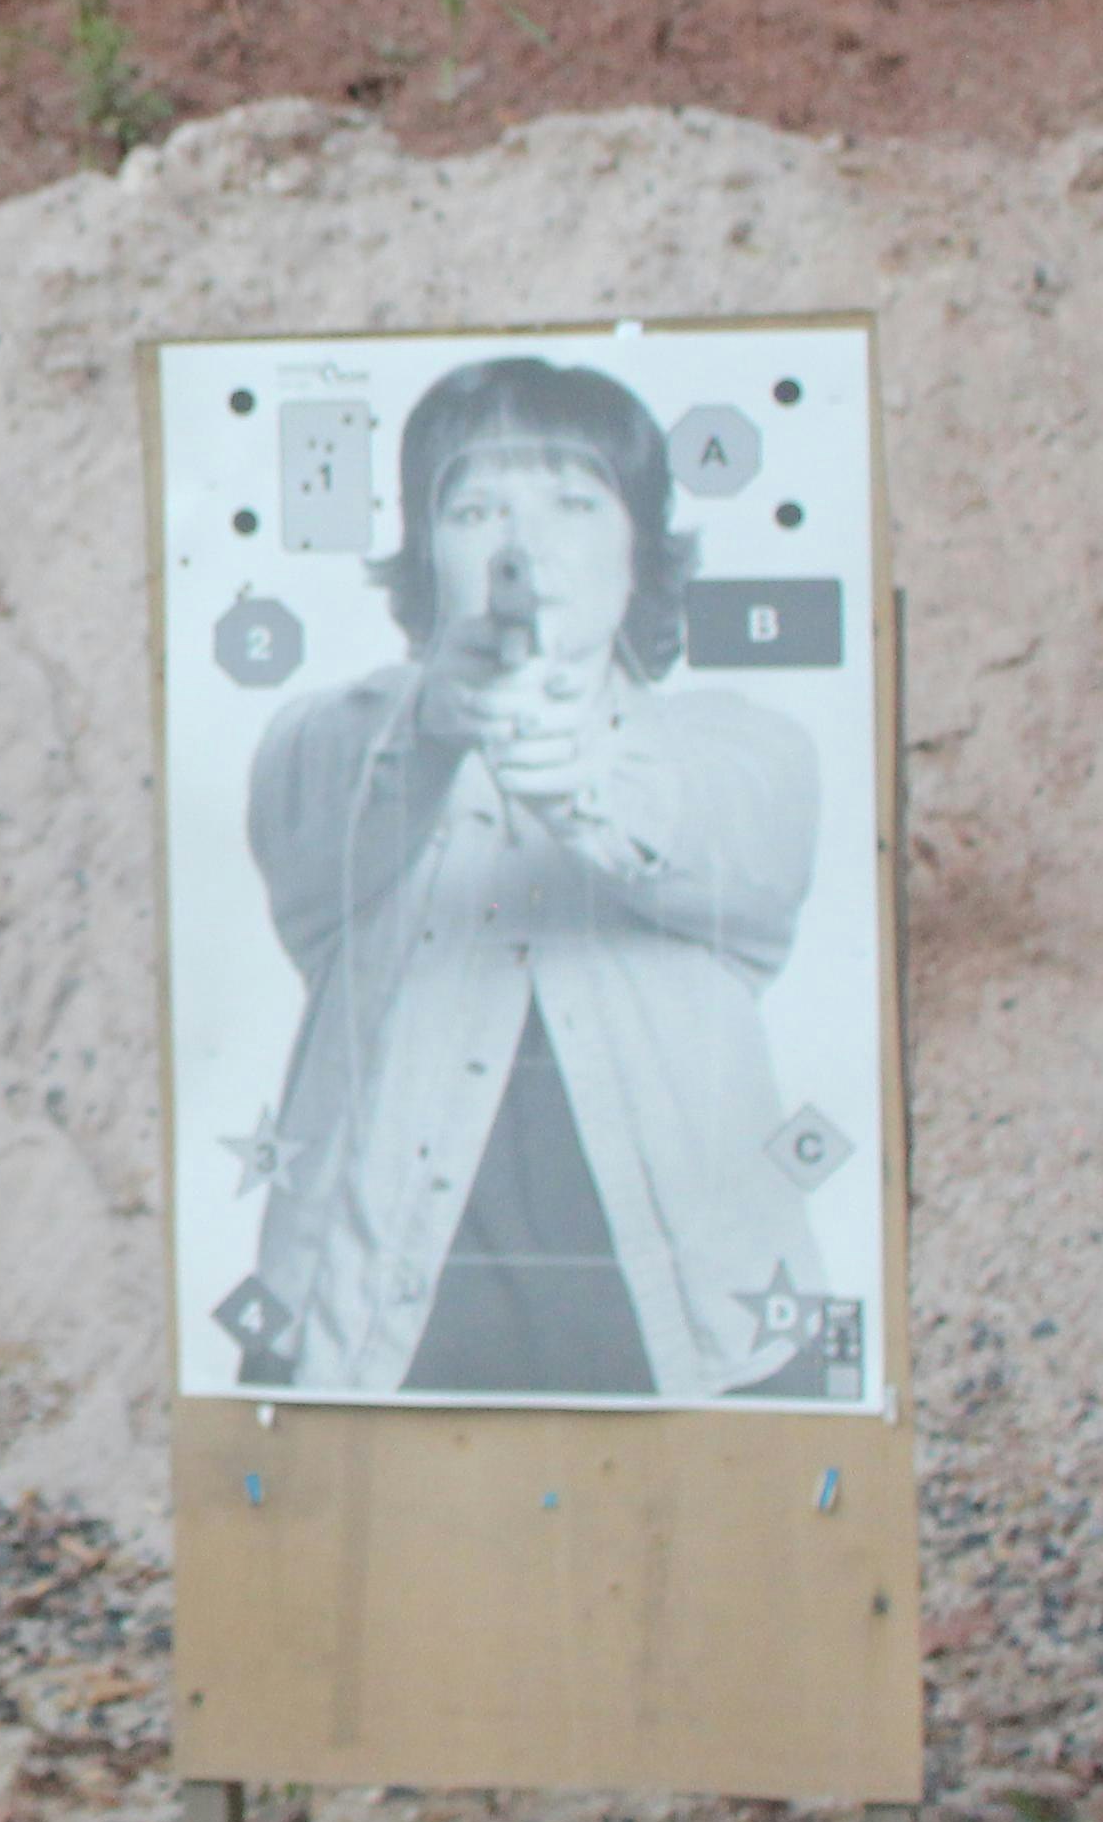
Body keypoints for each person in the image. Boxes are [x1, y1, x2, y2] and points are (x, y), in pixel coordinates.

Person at [227, 354, 837, 1400]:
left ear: (640, 548)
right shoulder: (338, 738)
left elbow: (720, 835)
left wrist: (582, 771)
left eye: (572, 501)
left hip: (718, 1350)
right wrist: (432, 726)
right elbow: (313, 812)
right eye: (474, 511)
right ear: (426, 560)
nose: (524, 547)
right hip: (361, 1337)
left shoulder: (748, 748)